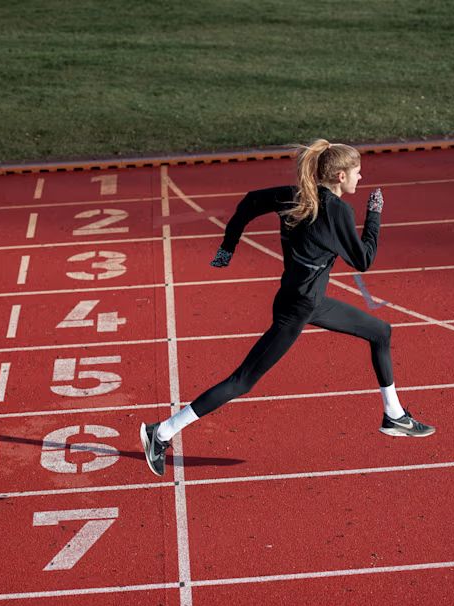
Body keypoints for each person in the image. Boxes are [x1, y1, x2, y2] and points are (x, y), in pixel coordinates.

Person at [140, 139, 435, 476]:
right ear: (340, 176)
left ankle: (394, 415)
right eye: (357, 172)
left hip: (306, 301)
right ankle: (161, 432)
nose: (361, 177)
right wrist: (375, 214)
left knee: (380, 332)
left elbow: (250, 202)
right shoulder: (337, 211)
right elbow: (363, 260)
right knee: (242, 381)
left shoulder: (295, 196)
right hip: (298, 309)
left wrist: (227, 247)